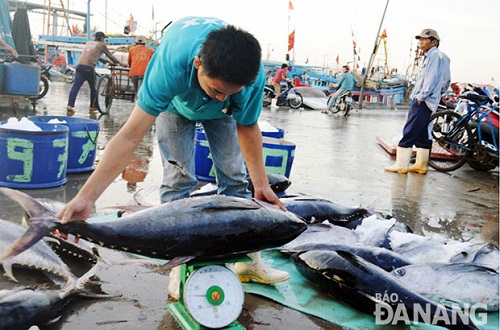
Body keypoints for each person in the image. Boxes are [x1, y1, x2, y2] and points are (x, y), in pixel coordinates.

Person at [57, 17, 288, 300]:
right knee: (179, 179)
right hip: (175, 107)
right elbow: (130, 136)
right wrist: (86, 197)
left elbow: (248, 126)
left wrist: (261, 184)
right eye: (216, 90)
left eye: (229, 92)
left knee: (235, 177)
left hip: (224, 117)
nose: (220, 97)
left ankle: (248, 261)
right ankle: (178, 259)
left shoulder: (248, 81)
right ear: (197, 64)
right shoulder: (171, 65)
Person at [385, 28, 444, 174]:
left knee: (410, 130)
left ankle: (401, 165)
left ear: (434, 42)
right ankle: (421, 165)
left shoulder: (434, 56)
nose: (421, 42)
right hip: (427, 99)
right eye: (420, 39)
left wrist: (421, 96)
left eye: (424, 39)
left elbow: (430, 79)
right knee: (423, 132)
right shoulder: (431, 56)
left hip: (424, 100)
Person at [66, 32, 124, 116]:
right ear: (101, 38)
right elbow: (110, 55)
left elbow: (91, 55)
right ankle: (92, 106)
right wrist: (120, 63)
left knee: (75, 87)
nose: (104, 40)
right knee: (93, 88)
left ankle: (70, 106)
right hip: (89, 68)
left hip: (79, 66)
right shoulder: (101, 45)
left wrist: (104, 60)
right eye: (104, 38)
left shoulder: (89, 43)